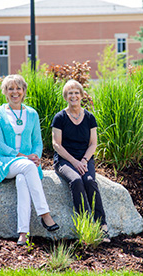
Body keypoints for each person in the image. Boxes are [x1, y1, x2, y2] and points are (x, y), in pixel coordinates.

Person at [0, 74, 59, 246]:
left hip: (26, 164)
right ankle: (45, 214)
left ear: (24, 91)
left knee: (22, 181)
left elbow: (37, 141)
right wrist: (22, 157)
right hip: (5, 161)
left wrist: (36, 156)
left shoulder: (32, 114)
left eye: (18, 88)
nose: (15, 92)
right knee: (27, 167)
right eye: (10, 88)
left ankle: (22, 233)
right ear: (5, 92)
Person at [51, 79, 110, 243]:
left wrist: (83, 160)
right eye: (70, 93)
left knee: (90, 181)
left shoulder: (90, 117)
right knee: (76, 180)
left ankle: (101, 225)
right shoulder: (60, 117)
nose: (74, 96)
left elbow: (93, 144)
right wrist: (74, 162)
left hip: (85, 159)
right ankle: (85, 225)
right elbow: (56, 144)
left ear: (82, 95)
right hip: (64, 160)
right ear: (65, 96)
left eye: (76, 92)